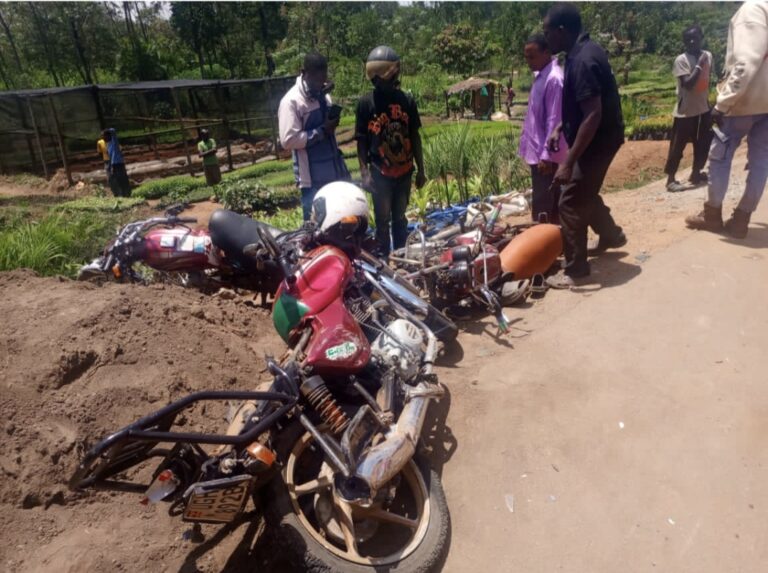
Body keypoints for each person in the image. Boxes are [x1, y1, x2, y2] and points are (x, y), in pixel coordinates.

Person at [543, 2, 627, 289]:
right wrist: (560, 126)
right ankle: (612, 235)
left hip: (598, 141)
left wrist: (568, 163)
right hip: (602, 137)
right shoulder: (583, 51)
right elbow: (584, 105)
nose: (546, 39)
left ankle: (576, 270)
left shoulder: (581, 60)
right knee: (584, 191)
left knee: (570, 200)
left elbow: (593, 115)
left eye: (547, 32)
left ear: (561, 31)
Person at [686, 1, 768, 239]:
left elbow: (745, 64)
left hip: (744, 101)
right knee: (761, 160)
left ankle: (712, 215)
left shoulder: (752, 10)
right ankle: (742, 219)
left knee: (720, 156)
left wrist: (722, 104)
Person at [356, 45, 426, 256]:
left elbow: (414, 136)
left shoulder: (406, 101)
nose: (395, 78)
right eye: (391, 75)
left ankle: (402, 258)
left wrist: (421, 170)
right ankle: (385, 260)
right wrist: (365, 173)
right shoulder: (366, 104)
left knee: (400, 219)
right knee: (382, 221)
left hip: (404, 172)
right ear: (377, 78)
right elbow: (361, 141)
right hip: (381, 174)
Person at [278, 52, 350, 221]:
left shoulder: (324, 95)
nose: (320, 85)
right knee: (314, 226)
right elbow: (288, 140)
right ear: (304, 73)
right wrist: (322, 131)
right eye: (316, 81)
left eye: (322, 80)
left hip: (335, 172)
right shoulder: (292, 101)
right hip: (311, 181)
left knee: (341, 221)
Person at [518, 33, 569, 223]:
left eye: (532, 57)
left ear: (546, 52)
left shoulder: (554, 79)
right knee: (546, 203)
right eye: (526, 57)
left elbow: (555, 120)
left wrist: (547, 156)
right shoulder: (541, 76)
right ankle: (556, 237)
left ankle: (553, 238)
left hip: (547, 156)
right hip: (537, 152)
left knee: (545, 206)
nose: (528, 62)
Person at [665, 26, 714, 192]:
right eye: (688, 39)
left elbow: (707, 80)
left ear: (701, 37)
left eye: (695, 38)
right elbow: (687, 84)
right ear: (684, 42)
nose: (692, 42)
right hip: (685, 111)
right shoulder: (681, 60)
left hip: (703, 108)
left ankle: (696, 173)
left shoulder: (708, 55)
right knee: (678, 146)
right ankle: (670, 179)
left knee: (703, 143)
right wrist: (699, 65)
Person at [105, 128, 131, 197]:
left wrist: (108, 130)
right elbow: (110, 157)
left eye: (105, 136)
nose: (104, 138)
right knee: (117, 180)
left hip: (119, 163)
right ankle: (121, 194)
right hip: (114, 165)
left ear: (109, 136)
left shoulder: (114, 143)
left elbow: (113, 131)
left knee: (123, 179)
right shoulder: (108, 145)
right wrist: (111, 166)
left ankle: (127, 193)